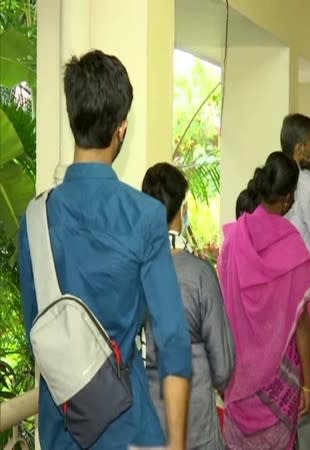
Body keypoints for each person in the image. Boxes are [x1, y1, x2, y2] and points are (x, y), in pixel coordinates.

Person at [18, 50, 192, 449]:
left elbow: (39, 333)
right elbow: (174, 343)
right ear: (121, 128)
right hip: (126, 429)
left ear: (72, 117)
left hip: (61, 428)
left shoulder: (34, 221)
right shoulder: (146, 216)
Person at [218, 152, 310, 450]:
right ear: (287, 198)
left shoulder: (233, 239)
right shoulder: (293, 246)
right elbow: (302, 326)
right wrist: (307, 385)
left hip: (237, 378)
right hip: (280, 382)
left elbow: (223, 304)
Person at [142, 163, 236, 450]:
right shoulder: (199, 275)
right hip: (194, 433)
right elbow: (223, 368)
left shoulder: (125, 272)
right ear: (181, 211)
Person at [280, 113, 310, 450]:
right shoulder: (306, 184)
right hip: (307, 287)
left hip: (280, 295)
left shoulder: (275, 177)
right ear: (300, 148)